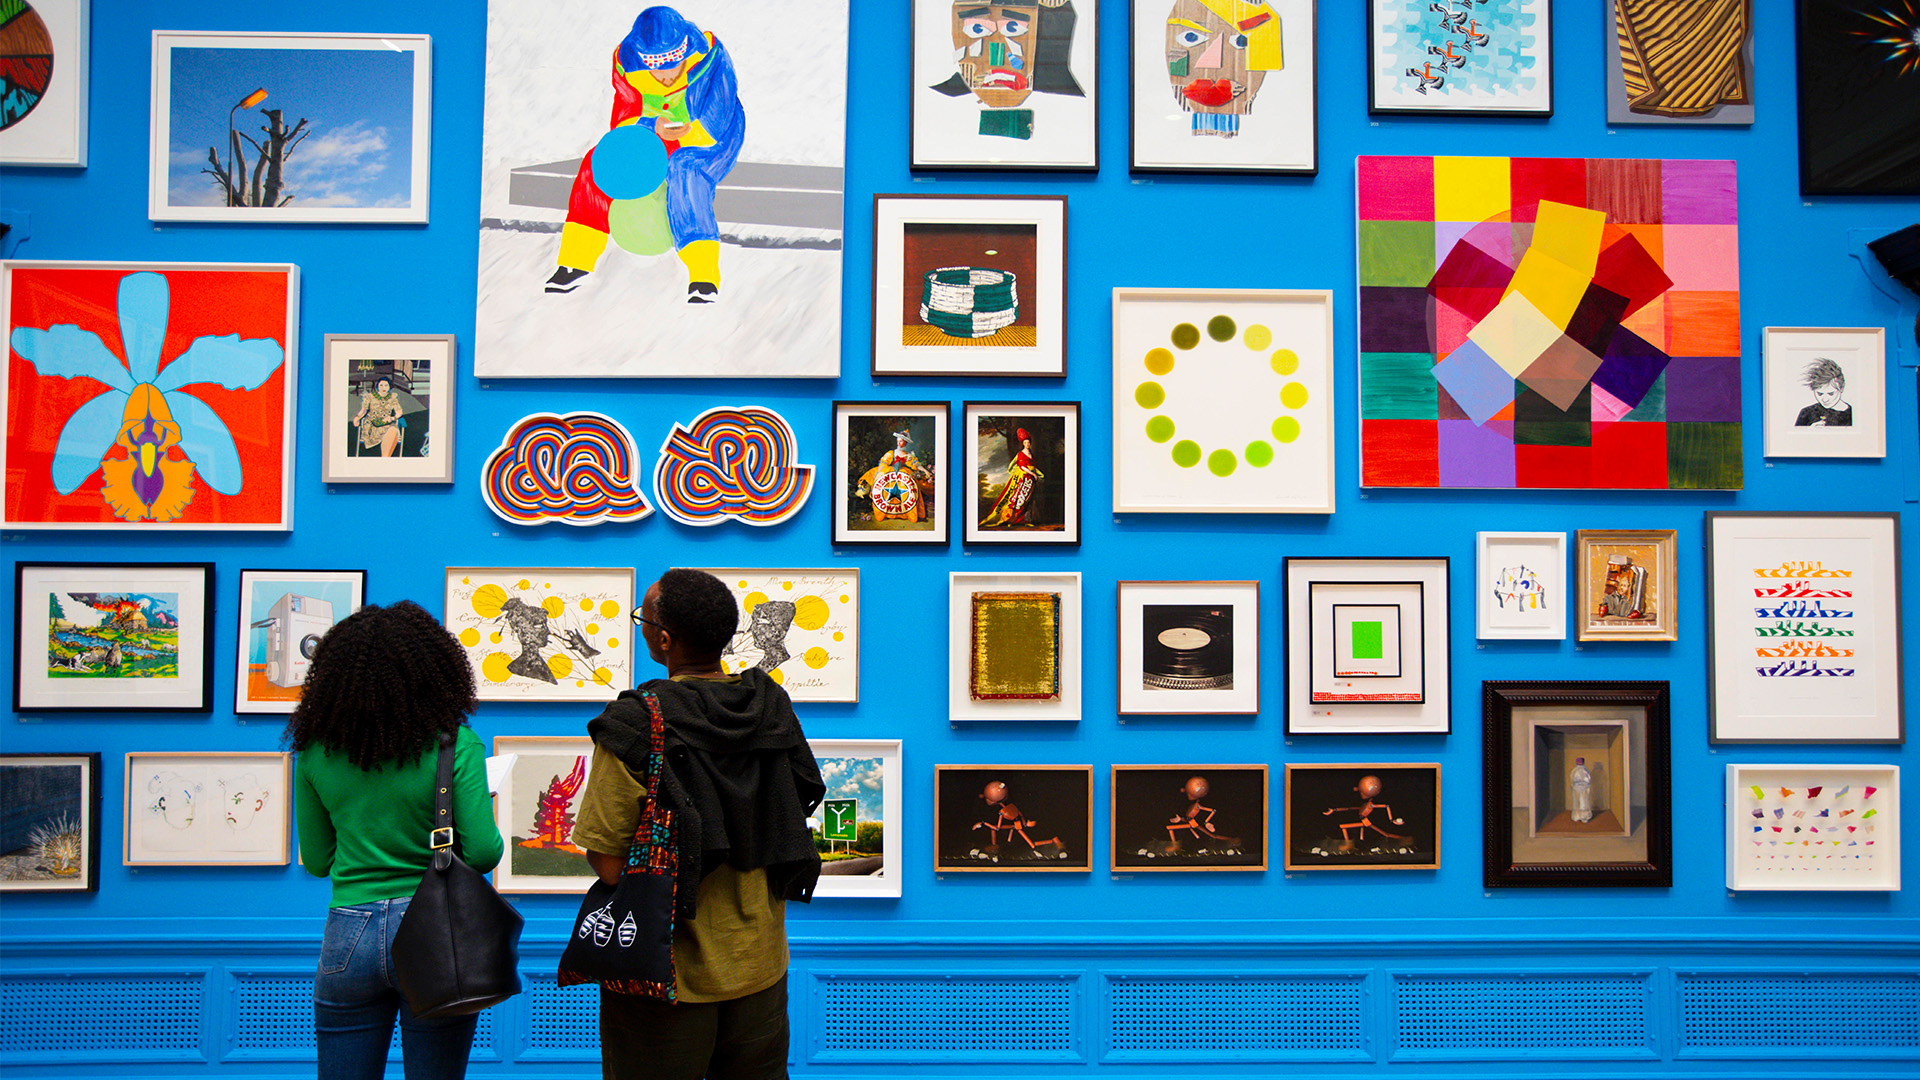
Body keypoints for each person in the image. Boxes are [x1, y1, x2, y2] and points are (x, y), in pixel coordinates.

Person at [572, 568, 823, 1080]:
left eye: (643, 619)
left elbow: (609, 860)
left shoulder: (636, 722)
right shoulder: (770, 707)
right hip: (760, 967)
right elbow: (796, 807)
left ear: (663, 639)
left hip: (666, 976)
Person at [286, 600, 503, 1080]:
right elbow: (486, 852)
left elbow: (319, 861)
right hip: (434, 932)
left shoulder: (314, 751)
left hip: (348, 935)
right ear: (436, 669)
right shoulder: (455, 745)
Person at [546, 7, 745, 303]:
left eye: (673, 65)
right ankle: (575, 260)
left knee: (685, 168)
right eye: (655, 66)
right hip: (656, 132)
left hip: (711, 137)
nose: (665, 76)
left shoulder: (711, 59)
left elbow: (719, 117)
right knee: (596, 163)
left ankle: (703, 274)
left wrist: (686, 134)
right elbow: (623, 121)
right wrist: (653, 127)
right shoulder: (627, 66)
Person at [979, 426, 1042, 527]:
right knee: (1019, 497)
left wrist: (1034, 474)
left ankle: (1024, 519)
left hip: (1030, 479)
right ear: (1023, 444)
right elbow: (1022, 467)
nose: (1027, 444)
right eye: (1025, 442)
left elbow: (1033, 465)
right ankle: (1012, 518)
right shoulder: (1021, 454)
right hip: (1023, 477)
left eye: (1028, 442)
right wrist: (1032, 473)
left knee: (1028, 499)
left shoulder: (1031, 454)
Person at [352, 376, 404, 457]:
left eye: (386, 385)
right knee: (390, 433)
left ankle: (385, 457)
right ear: (377, 386)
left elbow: (399, 412)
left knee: (393, 430)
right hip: (372, 424)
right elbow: (364, 410)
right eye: (381, 385)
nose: (383, 388)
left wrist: (392, 418)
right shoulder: (370, 396)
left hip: (386, 422)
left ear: (390, 386)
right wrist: (357, 418)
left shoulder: (392, 397)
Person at [1794, 358, 1853, 427]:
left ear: (1841, 388)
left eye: (1831, 393)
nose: (1825, 399)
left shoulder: (1852, 414)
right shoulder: (1807, 413)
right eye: (1819, 394)